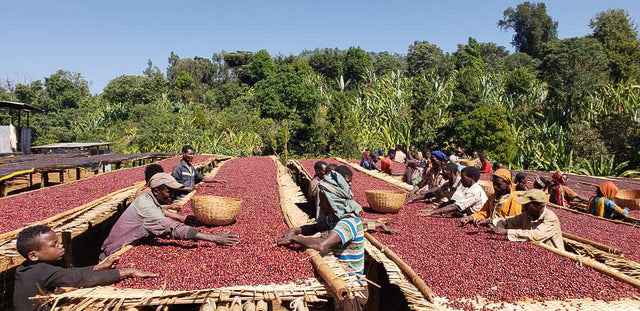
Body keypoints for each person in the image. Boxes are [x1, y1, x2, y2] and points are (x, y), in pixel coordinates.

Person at [278, 166, 367, 310]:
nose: (319, 203)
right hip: (339, 279)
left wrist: (295, 239)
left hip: (351, 289)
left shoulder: (348, 222)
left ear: (332, 200)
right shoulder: (333, 218)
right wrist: (295, 230)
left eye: (323, 199)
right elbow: (314, 228)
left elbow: (322, 245)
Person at [14, 225, 157, 311]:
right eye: (54, 245)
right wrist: (126, 271)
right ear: (33, 255)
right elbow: (81, 279)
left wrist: (98, 267)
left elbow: (67, 273)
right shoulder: (42, 270)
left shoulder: (26, 268)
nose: (61, 246)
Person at [101, 173, 240, 257]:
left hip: (134, 243)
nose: (173, 195)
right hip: (115, 252)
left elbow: (165, 216)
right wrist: (214, 238)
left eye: (174, 191)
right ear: (156, 191)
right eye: (169, 191)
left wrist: (191, 220)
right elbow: (173, 227)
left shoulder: (150, 199)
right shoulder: (145, 206)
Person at [475, 189, 565, 251]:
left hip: (553, 254)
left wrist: (506, 232)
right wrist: (489, 221)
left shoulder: (550, 218)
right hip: (531, 251)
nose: (523, 207)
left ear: (538, 206)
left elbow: (536, 235)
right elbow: (509, 221)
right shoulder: (527, 215)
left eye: (526, 205)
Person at [417, 167, 488, 217]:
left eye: (463, 178)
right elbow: (453, 202)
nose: (462, 180)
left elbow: (455, 206)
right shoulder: (471, 188)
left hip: (478, 217)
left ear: (471, 178)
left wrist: (431, 213)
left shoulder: (474, 191)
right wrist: (432, 209)